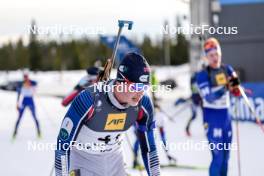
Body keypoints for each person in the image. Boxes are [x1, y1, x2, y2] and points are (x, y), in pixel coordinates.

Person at [55, 53, 161, 176]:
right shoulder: (89, 100)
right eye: (136, 86)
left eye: (145, 87)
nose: (141, 92)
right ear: (121, 82)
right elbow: (62, 146)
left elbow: (150, 149)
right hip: (83, 161)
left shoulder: (144, 104)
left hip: (115, 163)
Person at [196, 38, 241, 176]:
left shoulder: (227, 69)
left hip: (226, 117)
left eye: (217, 54)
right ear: (206, 57)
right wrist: (226, 87)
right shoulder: (202, 75)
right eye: (211, 55)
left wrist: (236, 88)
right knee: (218, 157)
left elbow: (236, 90)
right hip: (211, 117)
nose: (215, 58)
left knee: (226, 157)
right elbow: (209, 96)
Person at [13, 72, 41, 139]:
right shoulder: (21, 84)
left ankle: (39, 132)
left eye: (26, 77)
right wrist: (17, 103)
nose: (26, 78)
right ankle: (15, 132)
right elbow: (18, 93)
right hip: (24, 101)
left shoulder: (32, 82)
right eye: (24, 77)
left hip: (30, 100)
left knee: (34, 116)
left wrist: (30, 84)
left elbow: (36, 83)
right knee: (19, 117)